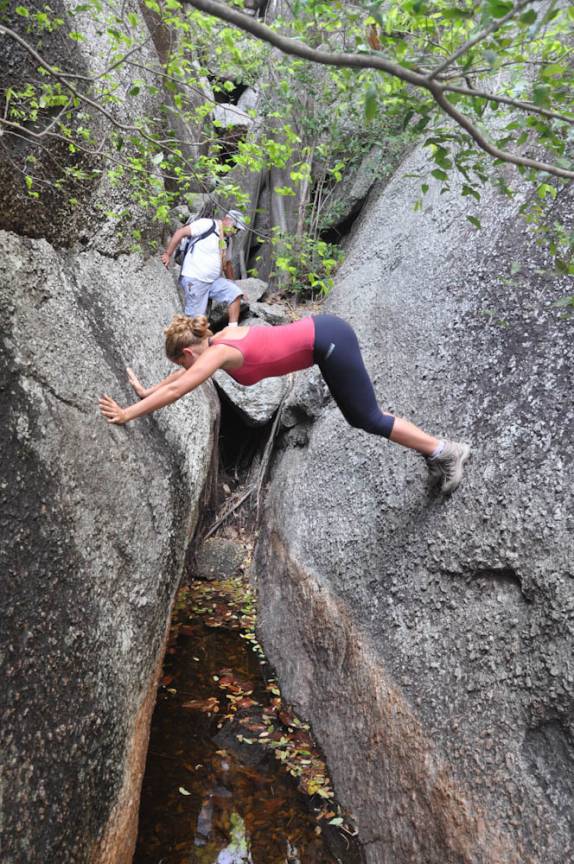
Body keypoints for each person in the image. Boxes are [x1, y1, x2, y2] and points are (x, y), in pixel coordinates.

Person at [99, 314, 471, 494]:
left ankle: (445, 451)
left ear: (186, 352)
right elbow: (179, 379)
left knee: (367, 417)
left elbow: (179, 388)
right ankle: (435, 451)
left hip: (329, 341)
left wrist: (128, 414)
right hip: (324, 335)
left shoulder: (218, 353)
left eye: (180, 362)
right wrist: (148, 391)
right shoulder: (219, 339)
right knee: (363, 418)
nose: (181, 370)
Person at [161, 210, 247, 326]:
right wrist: (168, 254)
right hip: (195, 279)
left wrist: (233, 283)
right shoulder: (207, 225)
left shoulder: (228, 240)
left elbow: (227, 264)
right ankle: (190, 342)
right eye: (235, 227)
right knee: (195, 321)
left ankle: (232, 330)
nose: (235, 232)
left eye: (238, 230)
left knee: (235, 293)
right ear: (227, 220)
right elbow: (181, 232)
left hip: (213, 282)